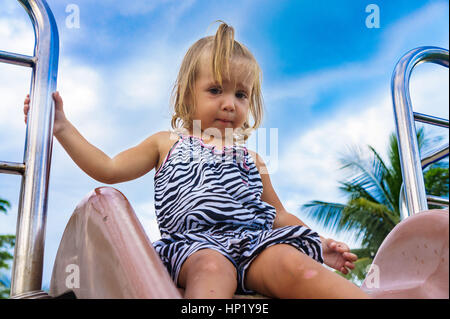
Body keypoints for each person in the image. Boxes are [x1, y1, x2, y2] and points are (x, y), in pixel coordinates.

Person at [23, 22, 369, 299]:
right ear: (188, 93)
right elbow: (109, 168)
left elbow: (277, 214)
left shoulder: (251, 158)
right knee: (212, 268)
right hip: (194, 248)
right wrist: (62, 127)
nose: (230, 103)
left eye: (240, 94)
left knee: (295, 264)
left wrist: (318, 243)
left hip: (255, 245)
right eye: (216, 90)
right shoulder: (166, 143)